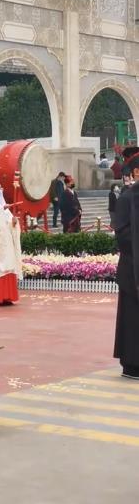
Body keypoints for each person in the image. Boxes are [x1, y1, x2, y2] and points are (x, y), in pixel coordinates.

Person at [113, 146, 139, 379]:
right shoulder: (127, 198)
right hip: (132, 270)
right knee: (132, 319)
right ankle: (132, 364)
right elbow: (122, 235)